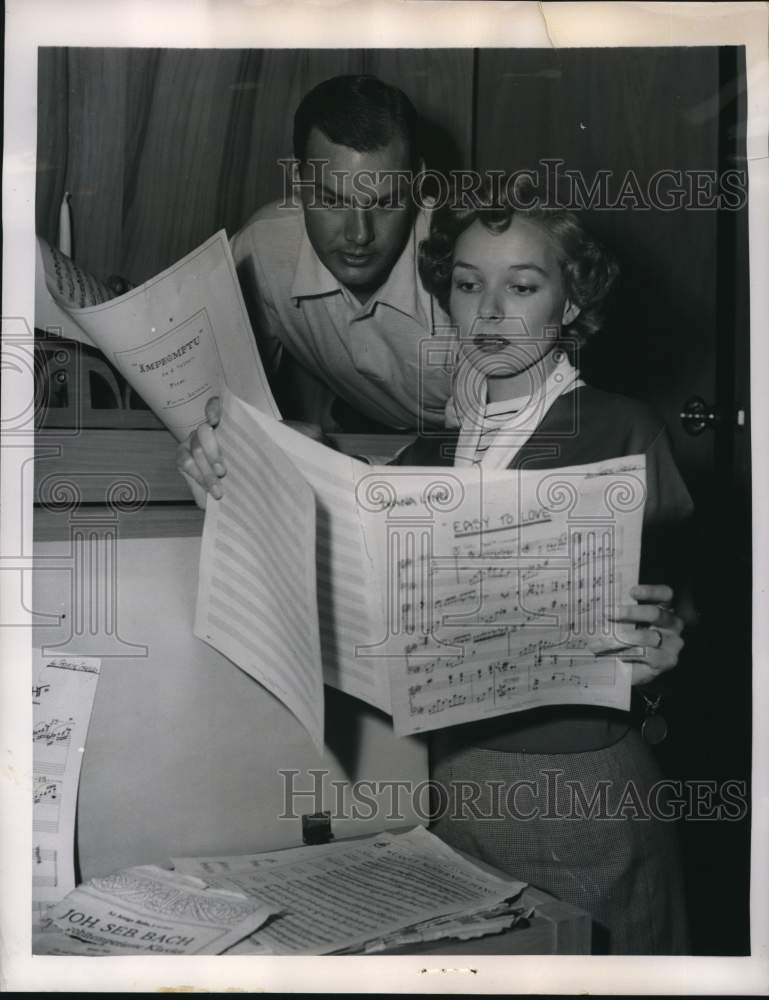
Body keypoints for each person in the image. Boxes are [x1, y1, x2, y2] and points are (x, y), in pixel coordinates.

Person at [390, 180, 693, 954]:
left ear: (570, 301)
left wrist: (668, 645)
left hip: (585, 796)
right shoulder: (423, 456)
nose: (489, 312)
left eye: (521, 287)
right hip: (448, 787)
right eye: (468, 285)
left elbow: (690, 610)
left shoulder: (622, 430)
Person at [228, 73, 453, 432]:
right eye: (333, 201)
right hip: (363, 433)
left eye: (385, 203)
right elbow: (223, 393)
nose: (359, 235)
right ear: (298, 179)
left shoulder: (465, 268)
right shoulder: (261, 250)